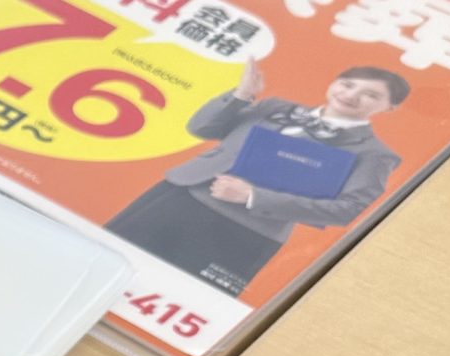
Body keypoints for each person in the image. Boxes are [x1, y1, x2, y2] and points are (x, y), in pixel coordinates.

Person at [104, 60, 409, 293]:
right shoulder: (275, 106)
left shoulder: (374, 153)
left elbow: (348, 210)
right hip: (179, 196)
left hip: (243, 230)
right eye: (347, 84)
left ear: (390, 107)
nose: (352, 95)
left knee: (177, 294)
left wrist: (252, 197)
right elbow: (202, 129)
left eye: (371, 95)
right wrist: (242, 94)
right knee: (106, 259)